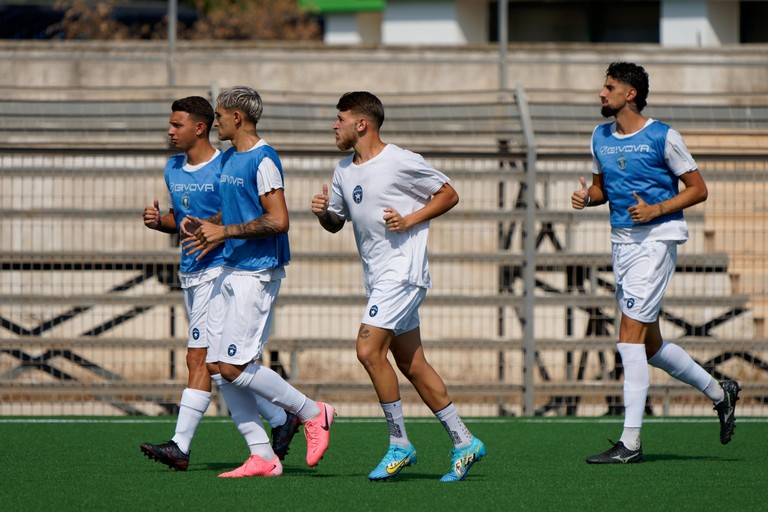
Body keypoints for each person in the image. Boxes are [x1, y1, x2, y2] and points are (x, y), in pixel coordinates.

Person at [310, 91, 485, 482]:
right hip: (377, 279)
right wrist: (324, 215)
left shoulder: (400, 160)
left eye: (340, 118)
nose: (333, 125)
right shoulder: (343, 170)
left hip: (402, 273)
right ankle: (464, 441)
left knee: (368, 349)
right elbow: (337, 222)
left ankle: (399, 443)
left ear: (362, 123)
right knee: (411, 363)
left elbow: (449, 194)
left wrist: (410, 219)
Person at [571, 62, 741, 464]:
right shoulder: (600, 136)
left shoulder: (664, 136)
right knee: (650, 345)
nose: (601, 93)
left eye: (609, 86)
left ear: (630, 94)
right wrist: (587, 199)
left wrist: (659, 209)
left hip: (657, 242)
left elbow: (698, 189)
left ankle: (630, 443)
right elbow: (600, 189)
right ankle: (721, 394)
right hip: (622, 245)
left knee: (628, 336)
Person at [139, 96, 300, 472]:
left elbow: (244, 213)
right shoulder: (173, 168)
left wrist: (217, 230)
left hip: (222, 271)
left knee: (207, 360)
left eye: (176, 124)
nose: (169, 131)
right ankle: (277, 424)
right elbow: (185, 220)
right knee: (216, 364)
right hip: (192, 272)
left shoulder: (226, 164)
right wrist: (162, 221)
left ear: (200, 127)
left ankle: (182, 446)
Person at [183, 86, 335, 478]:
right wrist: (207, 226)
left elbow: (279, 220)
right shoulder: (231, 157)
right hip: (232, 267)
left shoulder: (264, 159)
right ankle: (262, 455)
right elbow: (234, 209)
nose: (215, 122)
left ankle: (311, 412)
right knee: (216, 365)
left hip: (257, 271)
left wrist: (226, 231)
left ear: (237, 117)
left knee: (233, 366)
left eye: (219, 116)